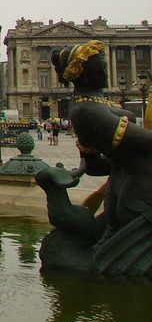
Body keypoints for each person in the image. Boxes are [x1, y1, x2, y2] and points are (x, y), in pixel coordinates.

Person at [35, 41, 152, 275]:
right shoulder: (88, 110)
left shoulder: (91, 106)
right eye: (100, 67)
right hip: (141, 191)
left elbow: (95, 166)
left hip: (126, 186)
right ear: (83, 74)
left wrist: (123, 163)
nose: (106, 71)